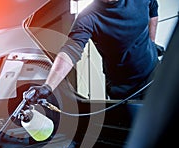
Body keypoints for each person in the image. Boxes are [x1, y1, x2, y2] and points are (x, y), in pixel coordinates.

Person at [25, 0, 160, 104]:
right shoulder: (88, 17)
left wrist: (152, 43)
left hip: (153, 74)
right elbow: (70, 51)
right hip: (122, 87)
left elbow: (153, 10)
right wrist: (48, 86)